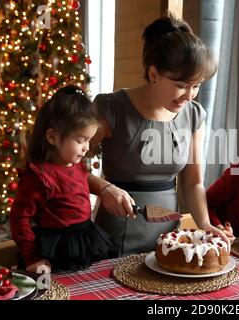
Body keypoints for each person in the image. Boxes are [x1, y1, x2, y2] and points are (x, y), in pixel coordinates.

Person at [88, 14, 229, 257]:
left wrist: (205, 225)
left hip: (170, 239)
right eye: (181, 85)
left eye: (196, 86)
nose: (190, 95)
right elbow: (65, 167)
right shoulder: (111, 108)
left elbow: (193, 182)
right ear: (154, 74)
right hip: (116, 236)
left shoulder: (195, 114)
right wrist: (103, 188)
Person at [10, 85, 113, 273]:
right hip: (55, 251)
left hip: (85, 239)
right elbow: (19, 218)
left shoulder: (75, 163)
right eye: (80, 140)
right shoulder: (40, 176)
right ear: (52, 137)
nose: (86, 148)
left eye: (88, 140)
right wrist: (33, 258)